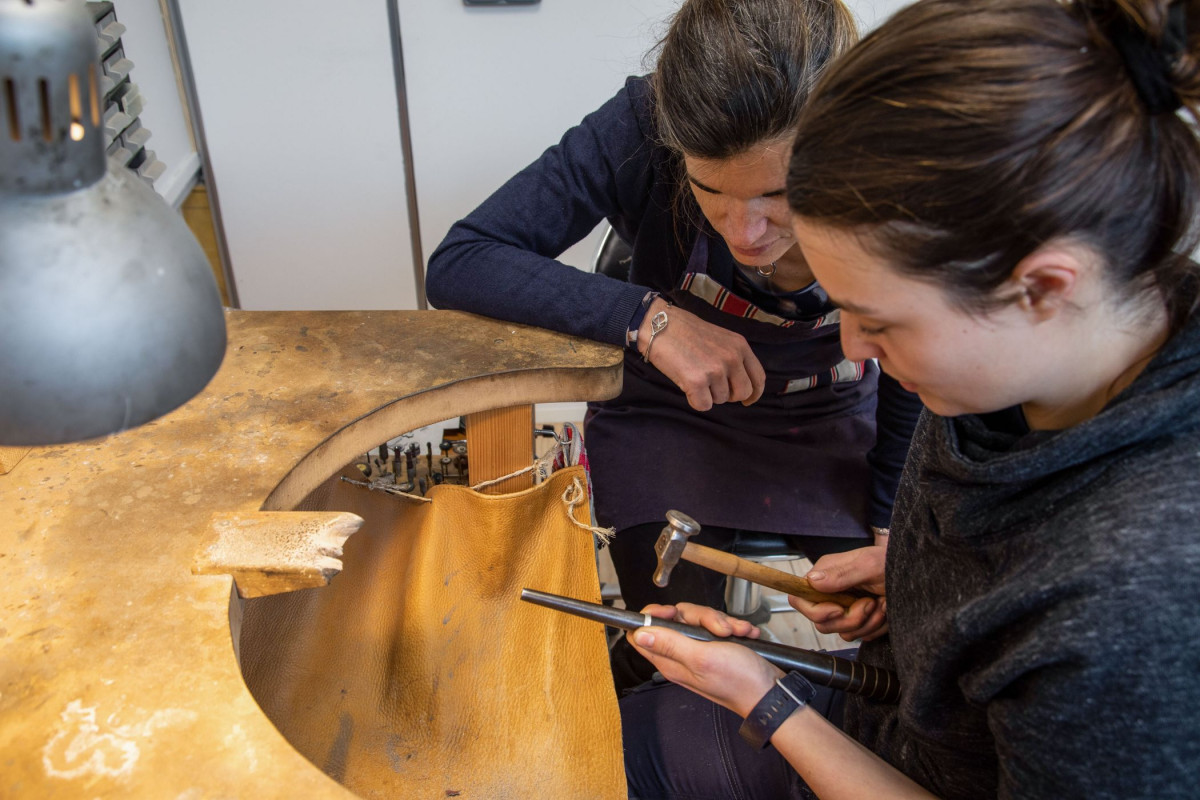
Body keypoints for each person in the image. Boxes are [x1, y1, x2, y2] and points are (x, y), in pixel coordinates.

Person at [620, 0, 1200, 796]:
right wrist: (918, 582)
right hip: (895, 723)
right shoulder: (1016, 377)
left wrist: (764, 699)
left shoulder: (1135, 611)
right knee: (643, 713)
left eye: (878, 320)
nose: (853, 351)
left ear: (1041, 287)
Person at [425, 0, 921, 687]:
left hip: (832, 425)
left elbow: (911, 362)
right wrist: (648, 317)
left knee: (906, 646)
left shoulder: (893, 145)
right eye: (709, 189)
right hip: (673, 422)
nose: (745, 235)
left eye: (779, 193)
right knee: (687, 658)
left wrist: (893, 524)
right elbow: (463, 259)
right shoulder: (641, 121)